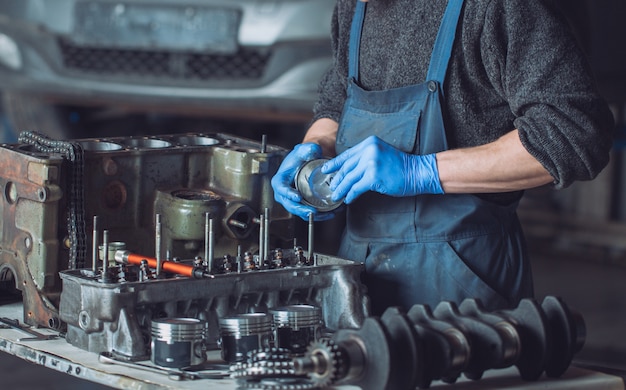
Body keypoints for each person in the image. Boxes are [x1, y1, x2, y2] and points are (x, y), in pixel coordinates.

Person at [271, 0, 614, 315]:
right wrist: (315, 152)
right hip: (357, 278)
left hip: (461, 288)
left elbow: (572, 134)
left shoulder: (499, 7)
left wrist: (422, 171)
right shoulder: (354, 7)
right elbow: (336, 101)